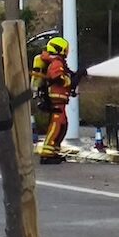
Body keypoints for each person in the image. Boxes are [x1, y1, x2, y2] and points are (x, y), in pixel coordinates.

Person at [33, 37, 80, 165]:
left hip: (59, 101)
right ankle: (47, 154)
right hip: (56, 100)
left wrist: (76, 75)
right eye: (65, 49)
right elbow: (57, 76)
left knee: (62, 126)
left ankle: (53, 152)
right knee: (56, 125)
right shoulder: (56, 62)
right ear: (60, 49)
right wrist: (71, 80)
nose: (67, 51)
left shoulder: (56, 61)